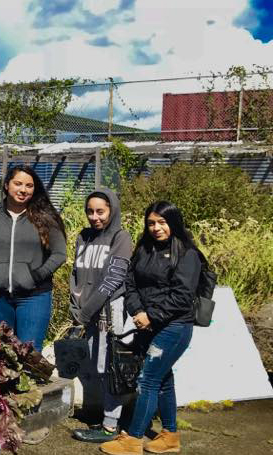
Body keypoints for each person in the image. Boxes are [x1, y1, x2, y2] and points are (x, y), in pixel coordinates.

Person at [101, 202, 200, 455]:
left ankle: (133, 440)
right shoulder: (144, 249)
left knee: (148, 380)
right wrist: (137, 311)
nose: (156, 228)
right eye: (151, 223)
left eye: (162, 222)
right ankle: (170, 435)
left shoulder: (187, 253)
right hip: (147, 323)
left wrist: (152, 316)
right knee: (163, 380)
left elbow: (183, 296)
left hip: (174, 327)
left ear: (173, 222)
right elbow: (129, 282)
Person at [68, 188, 133, 444]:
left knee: (111, 367)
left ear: (112, 210)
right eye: (90, 211)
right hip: (87, 313)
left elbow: (113, 280)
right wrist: (76, 307)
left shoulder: (120, 237)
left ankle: (110, 426)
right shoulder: (83, 236)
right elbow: (75, 273)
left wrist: (86, 310)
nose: (94, 217)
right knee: (99, 366)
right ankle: (109, 418)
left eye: (100, 211)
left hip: (108, 312)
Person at [0, 165, 66, 351]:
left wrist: (36, 275)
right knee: (7, 354)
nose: (23, 190)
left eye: (29, 185)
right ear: (6, 185)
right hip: (0, 296)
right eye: (18, 184)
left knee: (29, 354)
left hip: (34, 297)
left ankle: (30, 381)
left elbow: (59, 253)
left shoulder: (45, 216)